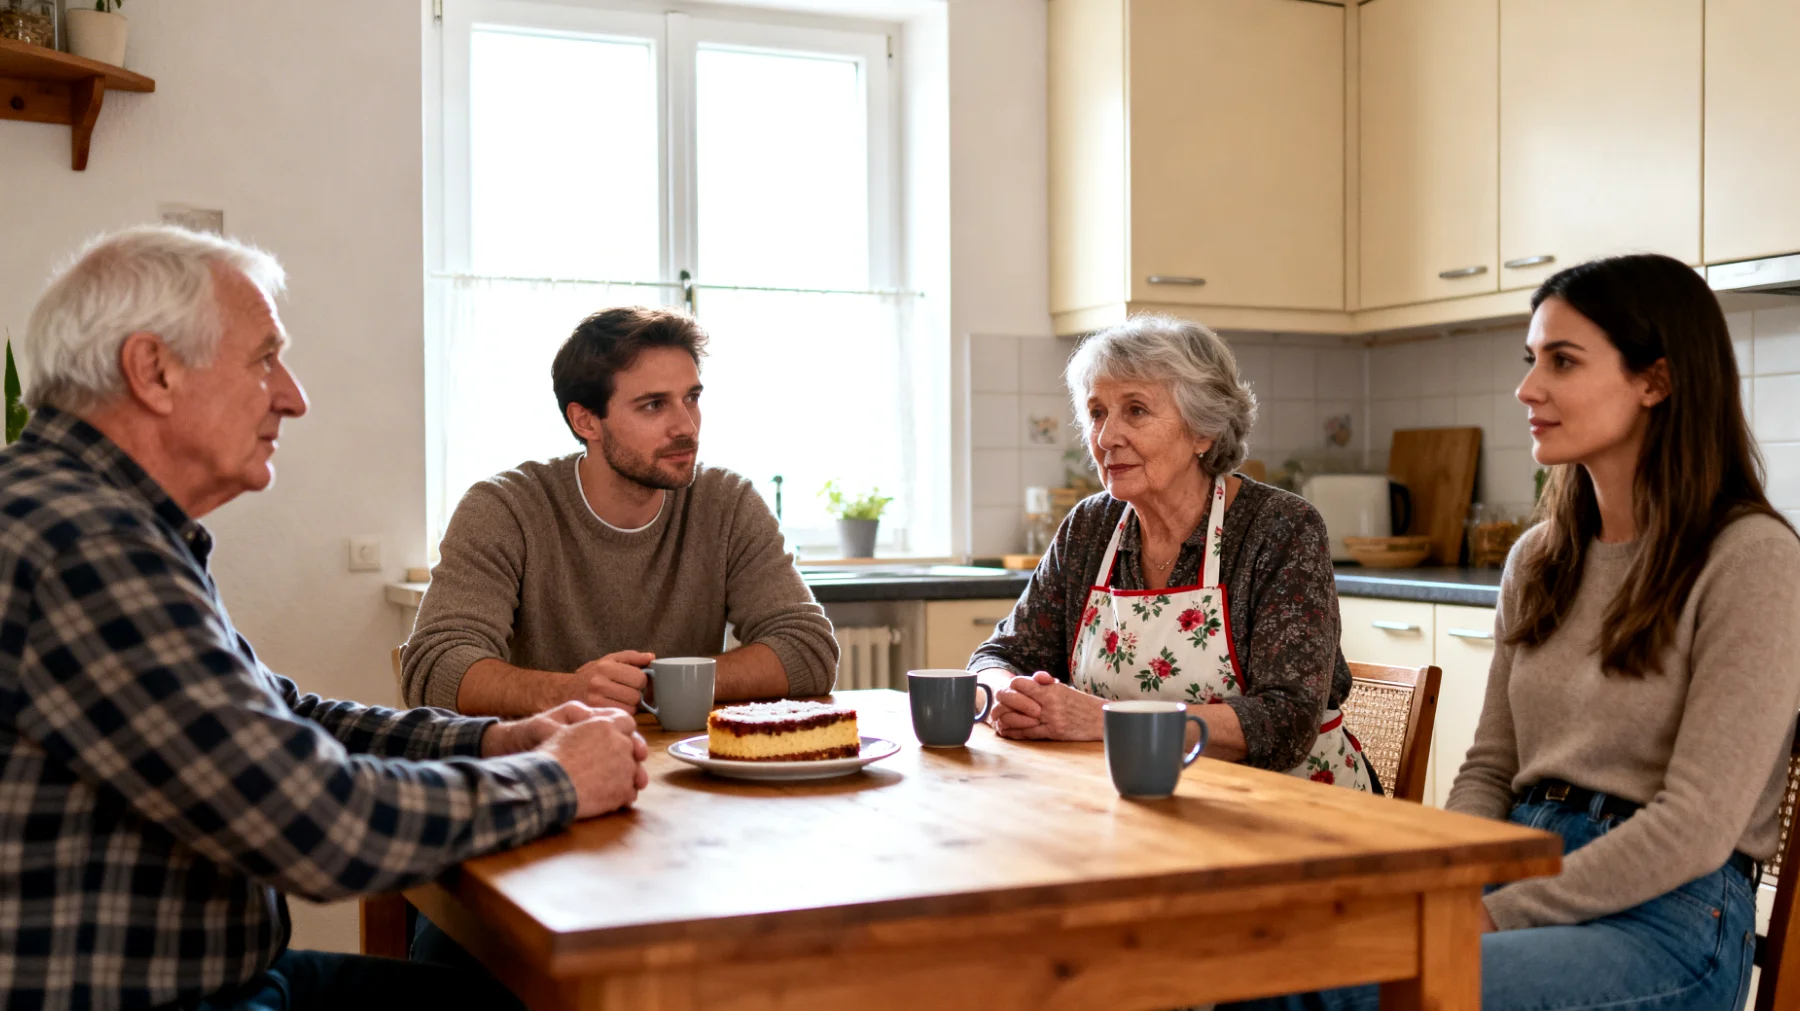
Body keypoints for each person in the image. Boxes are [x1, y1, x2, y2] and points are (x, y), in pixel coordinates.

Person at [0, 226, 649, 1011]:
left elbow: (283, 716)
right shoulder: (85, 543)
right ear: (153, 370)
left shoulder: (89, 516)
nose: (293, 395)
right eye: (263, 357)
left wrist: (494, 739)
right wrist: (554, 777)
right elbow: (314, 821)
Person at [1227, 254, 1800, 1011]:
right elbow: (1490, 770)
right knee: (1266, 965)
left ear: (1655, 381)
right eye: (1531, 360)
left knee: (1352, 993)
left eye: (1562, 361)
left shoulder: (1752, 559)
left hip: (1666, 920)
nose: (1527, 389)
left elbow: (1695, 825)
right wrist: (1454, 884)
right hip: (1512, 859)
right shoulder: (1539, 559)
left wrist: (1493, 913)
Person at [969, 315, 1372, 791]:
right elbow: (1000, 654)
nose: (1105, 437)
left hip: (1287, 808)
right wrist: (1002, 695)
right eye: (1097, 412)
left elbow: (1286, 721)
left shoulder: (1280, 527)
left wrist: (1101, 719)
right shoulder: (1091, 527)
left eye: (1136, 410)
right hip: (1135, 790)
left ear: (1203, 431)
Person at [401, 306, 838, 718]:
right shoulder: (504, 509)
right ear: (586, 421)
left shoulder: (728, 503)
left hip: (689, 769)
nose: (686, 427)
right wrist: (567, 691)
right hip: (547, 771)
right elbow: (434, 666)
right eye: (654, 405)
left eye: (691, 398)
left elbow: (808, 649)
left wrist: (651, 684)